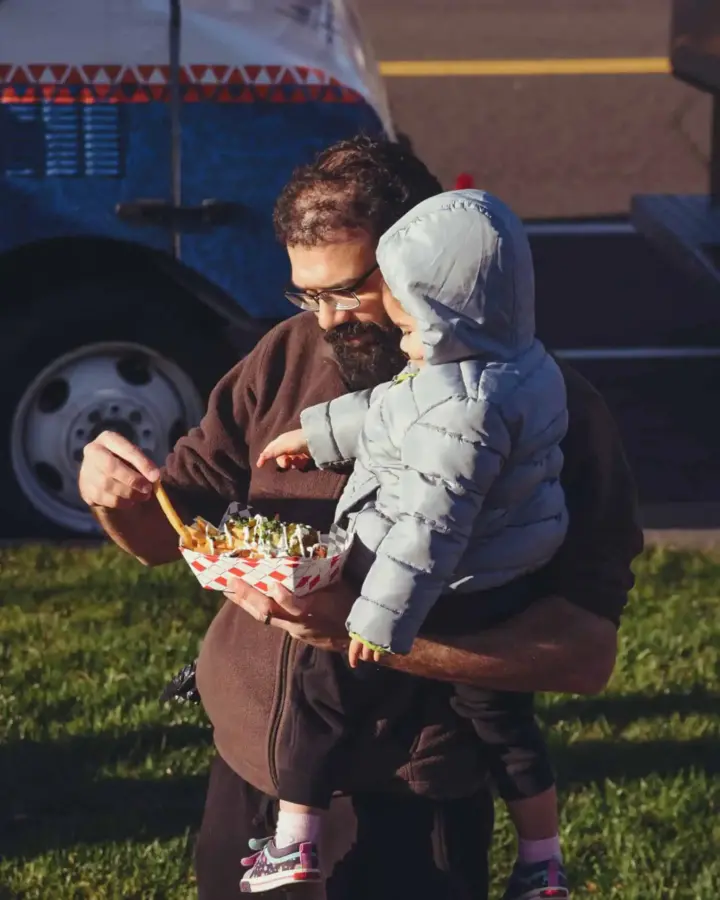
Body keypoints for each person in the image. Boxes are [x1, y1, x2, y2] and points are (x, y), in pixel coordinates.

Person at [78, 136, 643, 900]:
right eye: (307, 295)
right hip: (249, 773)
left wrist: (355, 629)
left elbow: (582, 656)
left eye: (348, 289)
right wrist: (114, 500)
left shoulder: (547, 413)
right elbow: (166, 537)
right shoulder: (285, 356)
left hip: (408, 810)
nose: (329, 320)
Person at [247, 189, 569, 897]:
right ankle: (542, 859)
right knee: (504, 726)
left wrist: (376, 617)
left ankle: (292, 842)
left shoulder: (462, 408)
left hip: (437, 586)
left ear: (452, 316)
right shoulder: (514, 361)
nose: (402, 341)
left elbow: (431, 522)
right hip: (499, 581)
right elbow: (393, 406)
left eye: (412, 324)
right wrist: (322, 433)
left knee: (321, 689)